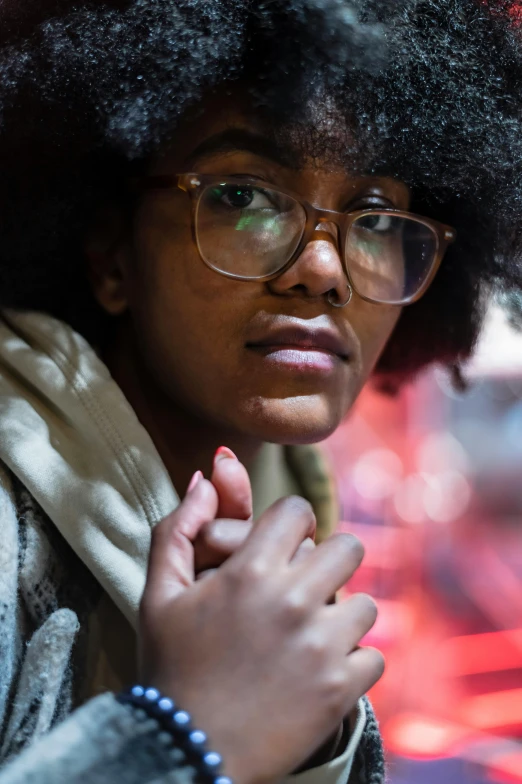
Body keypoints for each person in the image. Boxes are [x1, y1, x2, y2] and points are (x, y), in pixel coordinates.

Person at [0, 1, 521, 783]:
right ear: (112, 255)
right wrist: (179, 734)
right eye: (243, 195)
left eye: (377, 219)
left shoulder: (297, 503)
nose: (324, 268)